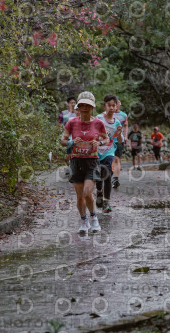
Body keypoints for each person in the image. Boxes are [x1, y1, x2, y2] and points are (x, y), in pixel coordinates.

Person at [60, 91, 109, 234]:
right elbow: (63, 140)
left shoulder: (98, 123)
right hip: (76, 161)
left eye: (88, 105)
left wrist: (99, 143)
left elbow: (106, 139)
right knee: (80, 196)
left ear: (92, 107)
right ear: (78, 107)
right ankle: (84, 221)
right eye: (82, 105)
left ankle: (94, 219)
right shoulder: (71, 122)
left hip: (92, 162)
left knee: (88, 193)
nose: (85, 108)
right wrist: (71, 142)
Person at [95, 95, 123, 213]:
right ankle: (99, 192)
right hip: (96, 151)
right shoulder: (98, 119)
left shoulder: (117, 123)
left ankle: (106, 202)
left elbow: (120, 141)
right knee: (98, 174)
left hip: (109, 151)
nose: (111, 108)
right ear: (104, 106)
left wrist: (119, 133)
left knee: (107, 174)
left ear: (116, 107)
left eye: (113, 105)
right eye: (109, 105)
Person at [111, 98, 129, 188]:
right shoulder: (107, 113)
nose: (117, 105)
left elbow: (126, 126)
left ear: (120, 104)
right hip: (108, 140)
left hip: (119, 140)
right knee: (110, 158)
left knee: (117, 158)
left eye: (118, 103)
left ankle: (116, 178)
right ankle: (110, 175)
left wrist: (125, 136)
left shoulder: (123, 115)